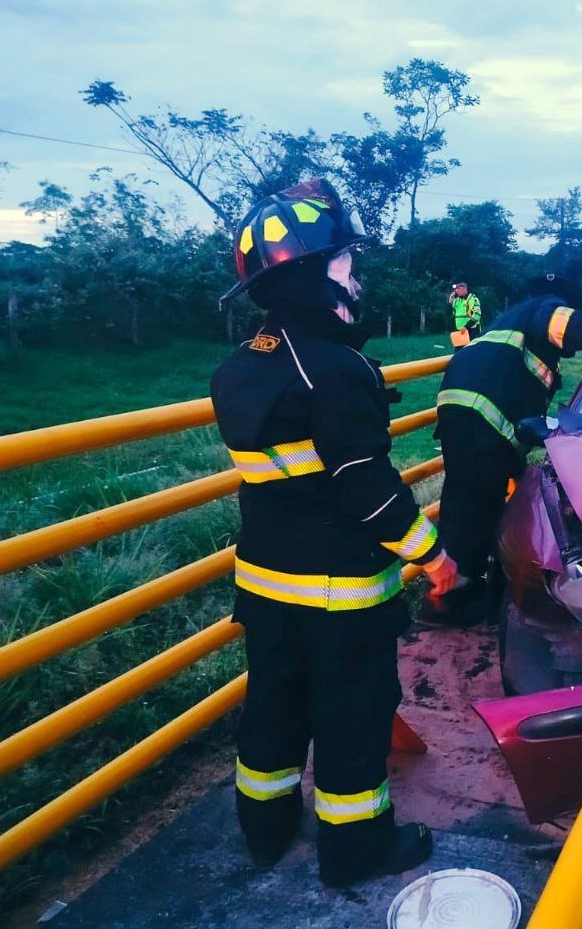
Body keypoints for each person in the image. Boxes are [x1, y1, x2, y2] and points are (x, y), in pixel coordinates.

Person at [211, 179, 459, 887]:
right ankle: (354, 852)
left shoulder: (242, 366)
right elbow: (364, 484)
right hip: (340, 597)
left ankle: (264, 829)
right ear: (312, 276)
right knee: (351, 722)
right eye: (347, 263)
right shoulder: (336, 368)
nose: (357, 276)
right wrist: (431, 555)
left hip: (263, 586)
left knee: (273, 710)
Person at [422, 274, 582, 626]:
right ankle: (453, 604)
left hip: (459, 413)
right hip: (482, 418)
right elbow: (578, 330)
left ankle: (449, 596)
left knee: (463, 503)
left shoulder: (512, 322)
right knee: (480, 507)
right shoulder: (546, 307)